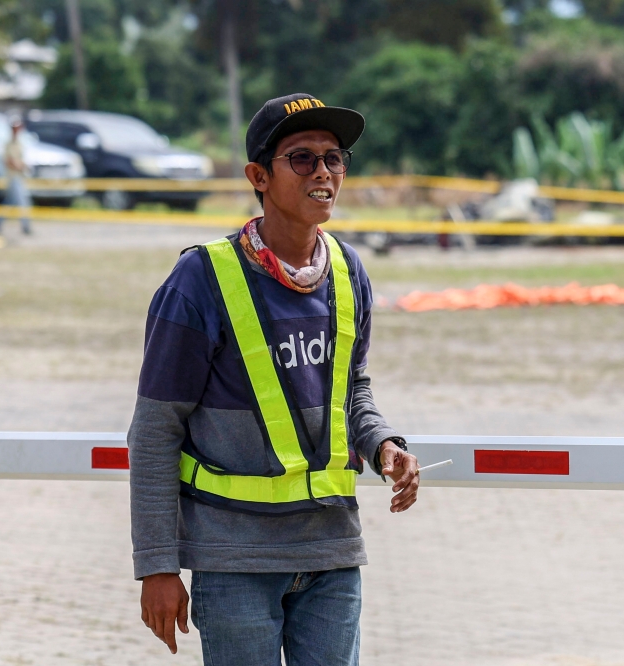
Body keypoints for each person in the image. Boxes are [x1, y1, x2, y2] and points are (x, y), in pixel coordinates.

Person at [128, 93, 419, 665]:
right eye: (302, 158)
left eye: (334, 158)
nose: (324, 173)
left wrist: (383, 442)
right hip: (234, 560)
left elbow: (351, 387)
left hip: (332, 550)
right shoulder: (200, 279)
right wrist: (158, 566)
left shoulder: (346, 269)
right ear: (258, 176)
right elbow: (156, 429)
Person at [0, 119, 32, 235]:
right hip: (13, 177)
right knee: (23, 201)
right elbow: (8, 161)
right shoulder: (9, 144)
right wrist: (20, 166)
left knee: (10, 202)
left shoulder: (20, 143)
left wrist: (24, 166)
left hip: (20, 176)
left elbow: (21, 160)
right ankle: (26, 226)